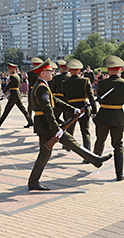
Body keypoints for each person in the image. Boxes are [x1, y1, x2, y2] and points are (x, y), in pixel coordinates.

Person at [27, 59, 112, 191]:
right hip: (46, 125)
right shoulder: (41, 88)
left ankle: (95, 159)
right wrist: (56, 128)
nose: (52, 73)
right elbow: (48, 110)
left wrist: (73, 109)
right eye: (50, 71)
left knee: (61, 146)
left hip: (45, 124)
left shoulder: (41, 86)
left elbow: (56, 101)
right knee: (47, 152)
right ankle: (33, 182)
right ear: (43, 73)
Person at [93, 55, 124, 181]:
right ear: (120, 69)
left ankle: (96, 158)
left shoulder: (101, 83)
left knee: (100, 139)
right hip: (118, 116)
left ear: (108, 69)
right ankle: (119, 174)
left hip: (103, 115)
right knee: (118, 144)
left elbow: (99, 98)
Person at [62, 59, 97, 152]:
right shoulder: (85, 81)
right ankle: (88, 153)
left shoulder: (65, 82)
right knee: (85, 132)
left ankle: (68, 146)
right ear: (79, 70)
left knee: (69, 131)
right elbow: (91, 96)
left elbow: (65, 97)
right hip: (83, 107)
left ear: (69, 70)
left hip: (71, 109)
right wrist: (94, 110)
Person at [0, 63, 33, 127]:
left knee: (6, 111)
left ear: (13, 69)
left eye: (9, 69)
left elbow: (10, 85)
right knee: (23, 110)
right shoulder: (17, 75)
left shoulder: (13, 76)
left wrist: (3, 91)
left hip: (14, 95)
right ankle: (30, 121)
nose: (8, 70)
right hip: (16, 94)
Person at [26, 57, 43, 122]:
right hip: (39, 89)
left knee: (30, 105)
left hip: (31, 90)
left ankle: (30, 120)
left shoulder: (30, 72)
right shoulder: (41, 73)